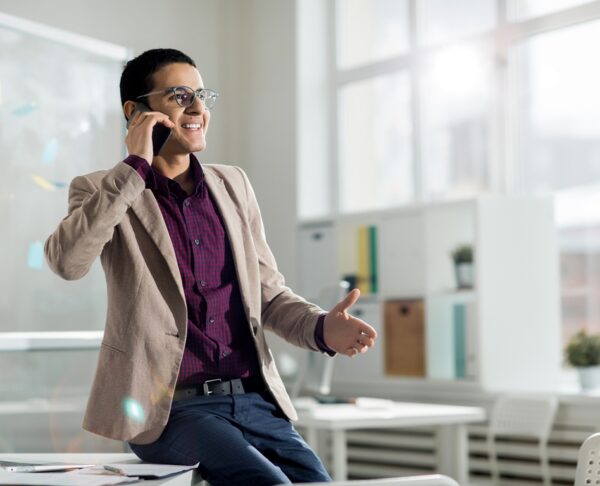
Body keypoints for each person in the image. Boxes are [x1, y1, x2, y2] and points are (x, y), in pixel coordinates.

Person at [44, 48, 377, 485]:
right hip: (170, 412)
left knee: (317, 482)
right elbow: (67, 262)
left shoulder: (232, 184)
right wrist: (134, 167)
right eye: (180, 95)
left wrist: (320, 329)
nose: (198, 108)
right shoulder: (102, 188)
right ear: (136, 110)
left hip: (255, 401)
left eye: (202, 96)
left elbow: (268, 295)